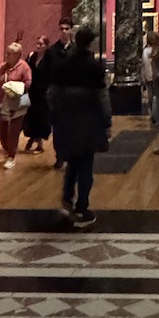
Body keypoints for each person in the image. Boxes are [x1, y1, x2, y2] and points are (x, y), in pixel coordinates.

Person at [49, 26, 111, 228]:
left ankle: (67, 199)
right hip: (88, 120)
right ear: (91, 43)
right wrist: (107, 122)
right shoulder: (95, 67)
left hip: (66, 119)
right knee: (85, 164)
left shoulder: (63, 65)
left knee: (72, 162)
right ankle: (82, 208)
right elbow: (102, 98)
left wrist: (57, 116)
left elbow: (52, 94)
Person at [36, 17, 74, 169]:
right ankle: (60, 156)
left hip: (74, 94)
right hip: (57, 95)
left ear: (71, 30)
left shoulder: (76, 50)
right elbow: (44, 73)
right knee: (58, 127)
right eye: (61, 29)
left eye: (66, 29)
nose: (64, 31)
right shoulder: (52, 51)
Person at [0, 41, 32, 169]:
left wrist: (15, 87)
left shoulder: (24, 67)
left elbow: (28, 83)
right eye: (6, 53)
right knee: (1, 131)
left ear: (18, 55)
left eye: (10, 54)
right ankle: (8, 150)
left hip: (16, 104)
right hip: (1, 103)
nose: (6, 55)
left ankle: (11, 156)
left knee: (13, 131)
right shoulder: (2, 68)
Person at [22, 34, 52, 154]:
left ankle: (39, 143)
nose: (38, 46)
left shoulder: (49, 58)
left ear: (46, 45)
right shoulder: (32, 56)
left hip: (43, 92)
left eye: (41, 44)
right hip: (32, 91)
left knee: (41, 117)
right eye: (37, 44)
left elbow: (52, 74)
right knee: (31, 116)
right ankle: (32, 137)